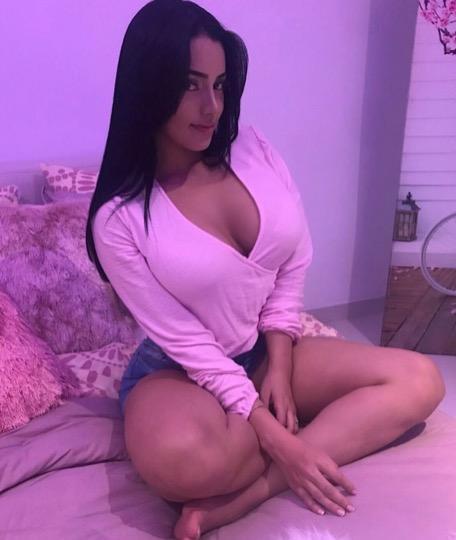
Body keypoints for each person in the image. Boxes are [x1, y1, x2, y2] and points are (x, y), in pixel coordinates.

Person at [86, 1, 446, 539]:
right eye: (190, 85)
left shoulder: (251, 149)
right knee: (187, 462)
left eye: (219, 84)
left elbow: (291, 262)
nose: (211, 106)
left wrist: (278, 365)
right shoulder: (120, 218)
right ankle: (281, 457)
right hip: (179, 369)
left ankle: (252, 494)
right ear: (148, 85)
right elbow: (186, 341)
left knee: (420, 380)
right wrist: (274, 434)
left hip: (261, 349)